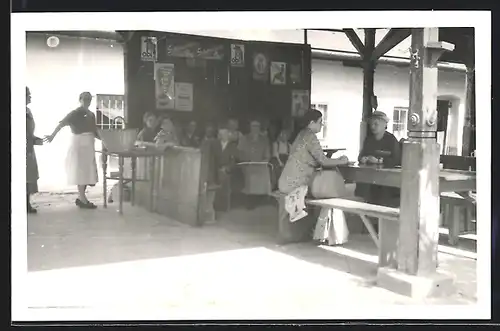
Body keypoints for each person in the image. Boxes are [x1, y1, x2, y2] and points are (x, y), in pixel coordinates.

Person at [277, 109, 350, 244]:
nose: (322, 125)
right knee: (327, 193)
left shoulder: (301, 135)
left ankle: (299, 233)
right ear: (312, 123)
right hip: (295, 183)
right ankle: (322, 233)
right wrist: (342, 161)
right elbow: (323, 161)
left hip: (286, 180)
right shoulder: (310, 136)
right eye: (320, 122)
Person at [44, 92, 100, 209]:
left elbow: (95, 131)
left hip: (89, 144)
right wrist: (52, 136)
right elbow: (62, 123)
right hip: (79, 144)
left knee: (88, 171)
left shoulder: (91, 115)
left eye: (89, 99)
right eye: (85, 99)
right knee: (81, 171)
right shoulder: (75, 113)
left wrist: (106, 140)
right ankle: (82, 198)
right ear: (80, 99)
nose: (87, 101)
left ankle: (81, 198)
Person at [357, 110, 401, 208]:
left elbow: (397, 159)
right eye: (371, 124)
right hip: (370, 179)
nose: (373, 126)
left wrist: (379, 161)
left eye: (376, 124)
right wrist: (363, 159)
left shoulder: (391, 140)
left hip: (387, 181)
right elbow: (360, 156)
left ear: (384, 125)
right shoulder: (368, 140)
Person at [237, 120, 272, 209]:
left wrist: (264, 160)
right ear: (250, 127)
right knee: (249, 173)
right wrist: (246, 160)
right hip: (247, 163)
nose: (255, 129)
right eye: (253, 126)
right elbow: (240, 152)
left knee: (265, 170)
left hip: (259, 163)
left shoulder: (264, 140)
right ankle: (250, 199)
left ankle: (261, 197)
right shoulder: (244, 138)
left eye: (257, 126)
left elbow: (267, 154)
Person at [26, 87, 43, 214]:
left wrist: (34, 139)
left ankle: (27, 203)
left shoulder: (28, 111)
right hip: (23, 147)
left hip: (29, 146)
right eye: (28, 95)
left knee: (29, 176)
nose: (30, 97)